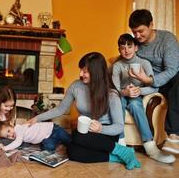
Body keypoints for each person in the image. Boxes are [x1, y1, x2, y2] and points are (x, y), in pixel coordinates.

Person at [28, 52, 141, 170]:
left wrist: (101, 129)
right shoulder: (76, 86)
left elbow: (119, 126)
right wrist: (36, 119)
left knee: (77, 137)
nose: (80, 74)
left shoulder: (111, 94)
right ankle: (116, 156)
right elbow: (60, 109)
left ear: (96, 72)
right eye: (81, 70)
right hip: (86, 133)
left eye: (85, 71)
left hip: (106, 135)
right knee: (72, 152)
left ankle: (121, 150)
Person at [112, 33, 175, 164]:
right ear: (119, 50)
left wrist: (139, 90)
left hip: (137, 95)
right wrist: (125, 92)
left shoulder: (144, 63)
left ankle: (151, 148)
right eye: (122, 47)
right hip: (121, 96)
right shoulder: (117, 66)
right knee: (117, 104)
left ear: (136, 48)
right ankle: (121, 144)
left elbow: (154, 87)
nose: (126, 50)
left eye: (130, 46)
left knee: (135, 105)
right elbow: (114, 89)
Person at [128, 9, 179, 154]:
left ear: (151, 25)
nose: (137, 36)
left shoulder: (167, 39)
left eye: (140, 31)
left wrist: (150, 80)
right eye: (134, 32)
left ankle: (174, 135)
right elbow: (125, 57)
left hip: (174, 75)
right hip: (153, 81)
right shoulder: (136, 44)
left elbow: (172, 70)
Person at [0, 121, 71, 152]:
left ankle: (64, 140)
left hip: (53, 129)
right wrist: (1, 145)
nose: (10, 135)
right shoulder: (17, 135)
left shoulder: (18, 129)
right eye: (7, 136)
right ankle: (58, 142)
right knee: (49, 148)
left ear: (12, 125)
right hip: (46, 138)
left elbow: (17, 143)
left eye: (9, 131)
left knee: (68, 139)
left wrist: (5, 148)